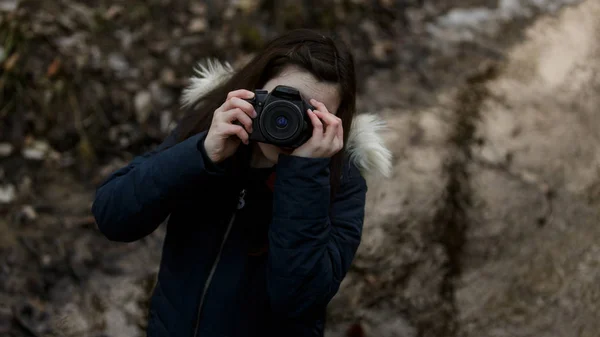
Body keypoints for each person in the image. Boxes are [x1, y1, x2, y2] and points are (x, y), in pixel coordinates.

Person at [91, 29, 391, 337]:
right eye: (279, 102)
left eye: (312, 114)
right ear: (255, 90)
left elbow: (298, 301)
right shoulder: (210, 125)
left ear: (336, 120)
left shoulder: (342, 180)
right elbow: (112, 218)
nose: (286, 120)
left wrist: (304, 174)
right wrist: (203, 154)